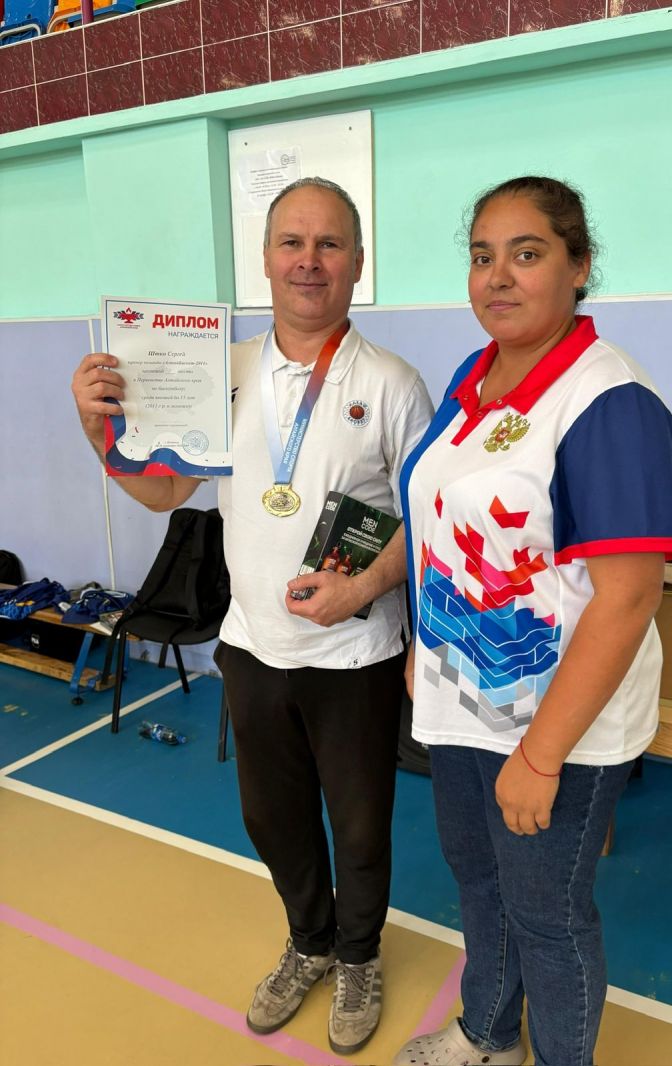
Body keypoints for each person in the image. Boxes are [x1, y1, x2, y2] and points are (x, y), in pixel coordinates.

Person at [71, 177, 433, 1056]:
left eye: (330, 243)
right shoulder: (219, 371)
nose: (310, 261)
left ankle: (360, 957)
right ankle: (310, 942)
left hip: (355, 654)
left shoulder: (391, 382)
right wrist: (96, 428)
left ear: (357, 262)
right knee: (271, 820)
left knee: (360, 827)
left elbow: (430, 522)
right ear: (264, 261)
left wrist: (363, 591)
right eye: (291, 243)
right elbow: (164, 492)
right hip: (251, 648)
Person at [394, 177, 672, 1066]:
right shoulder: (474, 375)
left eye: (527, 254)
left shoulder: (609, 401)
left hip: (557, 722)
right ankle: (488, 1034)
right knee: (480, 883)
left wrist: (542, 755)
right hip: (462, 696)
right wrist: (426, 647)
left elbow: (628, 598)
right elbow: (442, 523)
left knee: (548, 917)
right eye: (482, 256)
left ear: (579, 265)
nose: (498, 277)